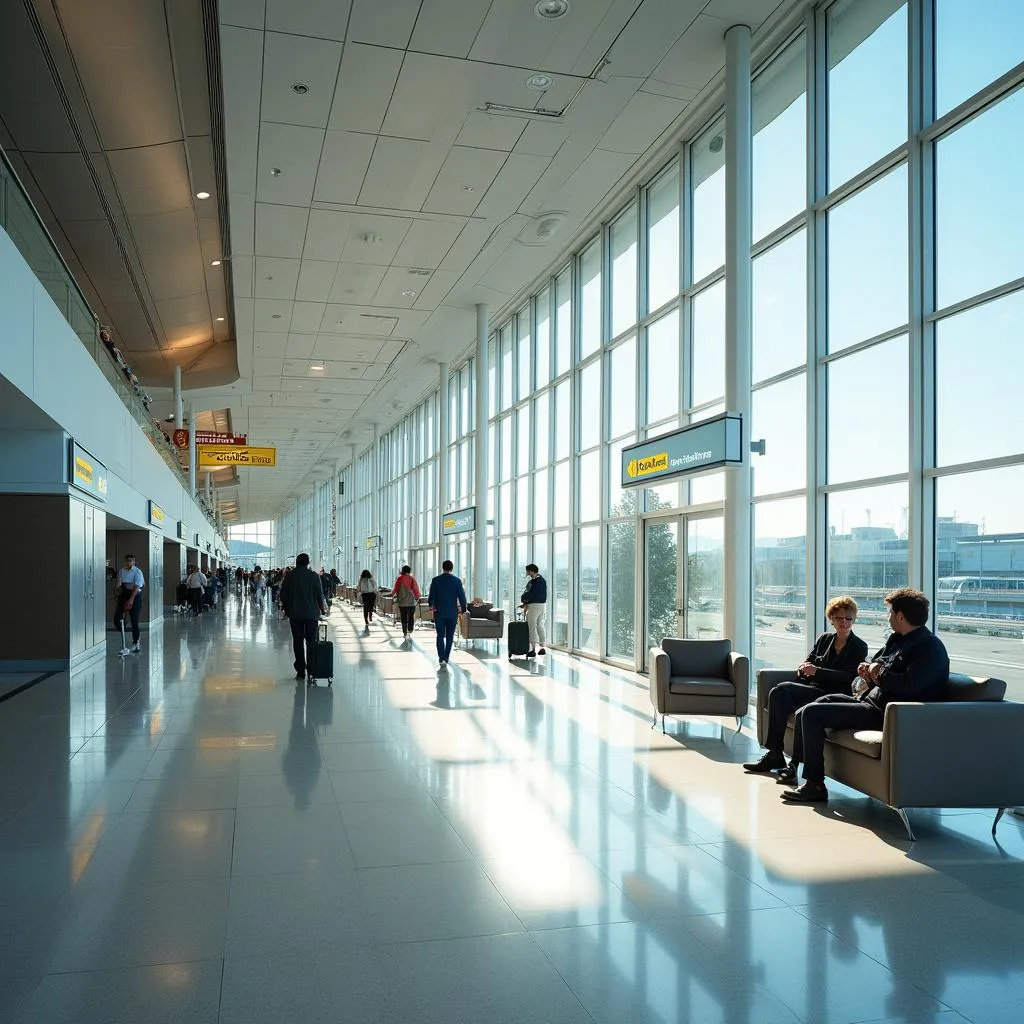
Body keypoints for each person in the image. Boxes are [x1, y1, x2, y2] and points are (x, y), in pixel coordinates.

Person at [780, 587, 950, 804]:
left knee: (813, 713)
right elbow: (877, 666)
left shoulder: (929, 647)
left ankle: (815, 785)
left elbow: (909, 685)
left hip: (886, 713)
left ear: (900, 616)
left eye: (890, 612)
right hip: (870, 702)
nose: (888, 617)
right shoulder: (897, 639)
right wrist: (868, 671)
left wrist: (878, 674)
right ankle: (798, 768)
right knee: (811, 708)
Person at [743, 596, 868, 781]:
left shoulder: (859, 646)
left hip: (835, 695)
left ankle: (794, 764)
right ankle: (775, 753)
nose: (844, 622)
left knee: (802, 709)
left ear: (853, 620)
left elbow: (849, 676)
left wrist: (817, 671)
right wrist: (804, 670)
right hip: (814, 688)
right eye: (840, 618)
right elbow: (808, 662)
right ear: (831, 619)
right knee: (778, 692)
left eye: (848, 618)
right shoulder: (825, 639)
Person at [279, 553, 328, 681]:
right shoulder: (314, 576)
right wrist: (322, 610)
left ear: (296, 562)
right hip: (312, 614)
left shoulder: (290, 576)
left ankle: (301, 670)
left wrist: (285, 606)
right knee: (311, 641)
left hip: (295, 614)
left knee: (298, 641)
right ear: (308, 563)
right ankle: (311, 669)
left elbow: (283, 594)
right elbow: (319, 595)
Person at [428, 559, 467, 669]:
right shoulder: (457, 581)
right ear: (452, 568)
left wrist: (431, 605)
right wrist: (463, 610)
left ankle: (441, 658)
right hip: (452, 613)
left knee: (440, 635)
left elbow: (431, 596)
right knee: (450, 636)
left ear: (443, 568)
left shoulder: (435, 580)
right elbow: (462, 597)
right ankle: (446, 657)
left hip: (439, 612)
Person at [114, 553, 145, 652]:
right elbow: (119, 584)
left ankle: (136, 642)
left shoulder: (137, 572)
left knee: (134, 620)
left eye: (131, 561)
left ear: (134, 562)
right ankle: (123, 626)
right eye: (128, 561)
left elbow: (137, 587)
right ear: (125, 561)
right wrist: (116, 593)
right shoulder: (122, 571)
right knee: (117, 619)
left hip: (135, 595)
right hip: (125, 593)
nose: (129, 563)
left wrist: (131, 600)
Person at [520, 563, 548, 658]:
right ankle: (542, 647)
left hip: (534, 606)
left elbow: (530, 594)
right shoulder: (543, 580)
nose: (527, 573)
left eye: (528, 571)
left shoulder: (535, 581)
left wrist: (523, 600)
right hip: (542, 605)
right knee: (540, 625)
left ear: (532, 571)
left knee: (532, 626)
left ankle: (532, 649)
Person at [392, 565, 421, 641]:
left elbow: (396, 588)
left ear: (402, 570)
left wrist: (392, 595)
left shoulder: (400, 578)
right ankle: (410, 630)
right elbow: (416, 589)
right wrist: (417, 597)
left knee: (403, 616)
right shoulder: (412, 579)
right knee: (411, 616)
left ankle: (404, 631)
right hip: (411, 601)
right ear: (409, 571)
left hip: (402, 601)